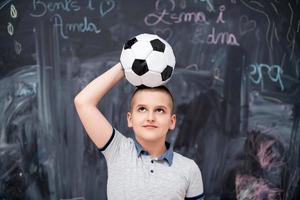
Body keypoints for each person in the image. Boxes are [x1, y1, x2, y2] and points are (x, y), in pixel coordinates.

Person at [74, 62, 204, 199]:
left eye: (159, 110)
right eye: (142, 109)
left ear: (171, 122)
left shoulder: (189, 169)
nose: (150, 117)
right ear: (130, 119)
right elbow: (83, 102)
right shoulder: (118, 150)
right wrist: (127, 64)